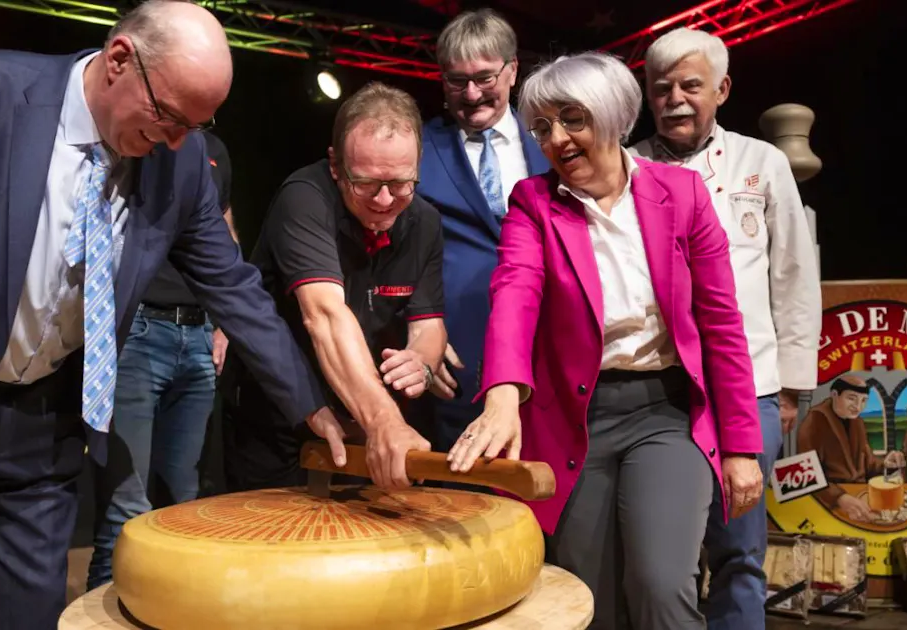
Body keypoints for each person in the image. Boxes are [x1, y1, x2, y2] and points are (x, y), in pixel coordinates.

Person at [0, 2, 346, 628]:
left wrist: (313, 405)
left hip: (45, 426)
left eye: (197, 125)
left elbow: (235, 288)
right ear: (119, 61)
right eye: (168, 116)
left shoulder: (182, 159)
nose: (176, 141)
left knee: (37, 613)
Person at [446, 51, 765, 630]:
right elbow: (515, 293)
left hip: (666, 412)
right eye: (542, 127)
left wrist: (742, 448)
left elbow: (722, 325)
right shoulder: (533, 202)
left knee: (660, 584)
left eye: (573, 119)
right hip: (576, 417)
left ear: (615, 117)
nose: (556, 140)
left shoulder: (684, 194)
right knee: (589, 596)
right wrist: (502, 397)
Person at [628, 26, 823, 630]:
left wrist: (791, 388)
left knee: (739, 550)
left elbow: (794, 276)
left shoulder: (762, 162)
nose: (675, 100)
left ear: (723, 89)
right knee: (668, 556)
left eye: (690, 86)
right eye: (661, 89)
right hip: (664, 390)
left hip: (754, 386)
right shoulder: (628, 166)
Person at [220, 82, 441, 491]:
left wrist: (423, 365)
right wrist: (384, 420)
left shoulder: (426, 221)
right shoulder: (304, 198)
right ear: (336, 165)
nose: (384, 200)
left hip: (361, 416)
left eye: (400, 183)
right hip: (277, 415)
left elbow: (429, 324)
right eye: (366, 183)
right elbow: (324, 315)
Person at [85, 130, 234, 591]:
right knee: (126, 509)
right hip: (139, 331)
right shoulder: (138, 136)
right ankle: (99, 615)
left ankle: (168, 610)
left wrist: (225, 322)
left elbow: (225, 231)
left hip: (198, 334)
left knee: (181, 504)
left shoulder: (213, 150)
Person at [415, 8, 549, 454]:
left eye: (484, 78)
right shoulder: (417, 148)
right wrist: (419, 331)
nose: (471, 94)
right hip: (454, 357)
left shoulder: (553, 143)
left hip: (549, 347)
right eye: (457, 81)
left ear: (512, 71)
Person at [796, 376, 904, 521]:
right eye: (852, 398)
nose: (858, 406)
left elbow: (867, 463)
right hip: (829, 504)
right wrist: (839, 498)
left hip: (859, 497)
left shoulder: (857, 422)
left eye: (863, 400)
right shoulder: (815, 420)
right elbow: (806, 475)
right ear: (835, 395)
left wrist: (886, 463)